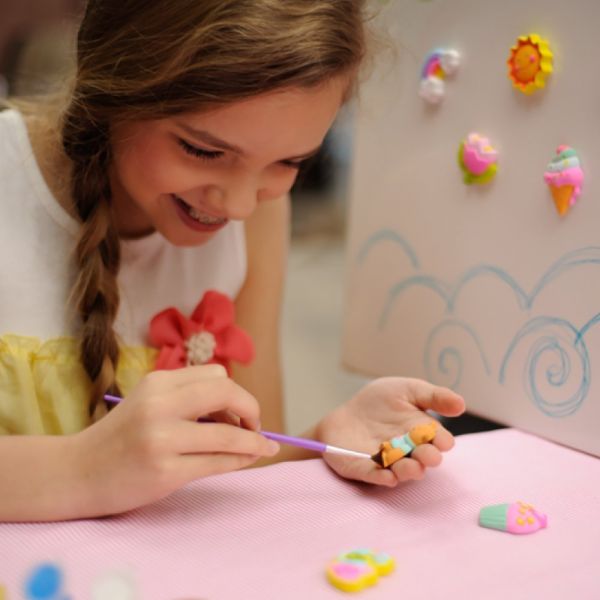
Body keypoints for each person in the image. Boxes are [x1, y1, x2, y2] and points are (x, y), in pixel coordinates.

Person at [0, 0, 465, 522]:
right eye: (203, 151)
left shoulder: (259, 216)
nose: (241, 205)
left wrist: (324, 443)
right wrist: (88, 469)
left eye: (290, 161)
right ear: (113, 90)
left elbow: (247, 467)